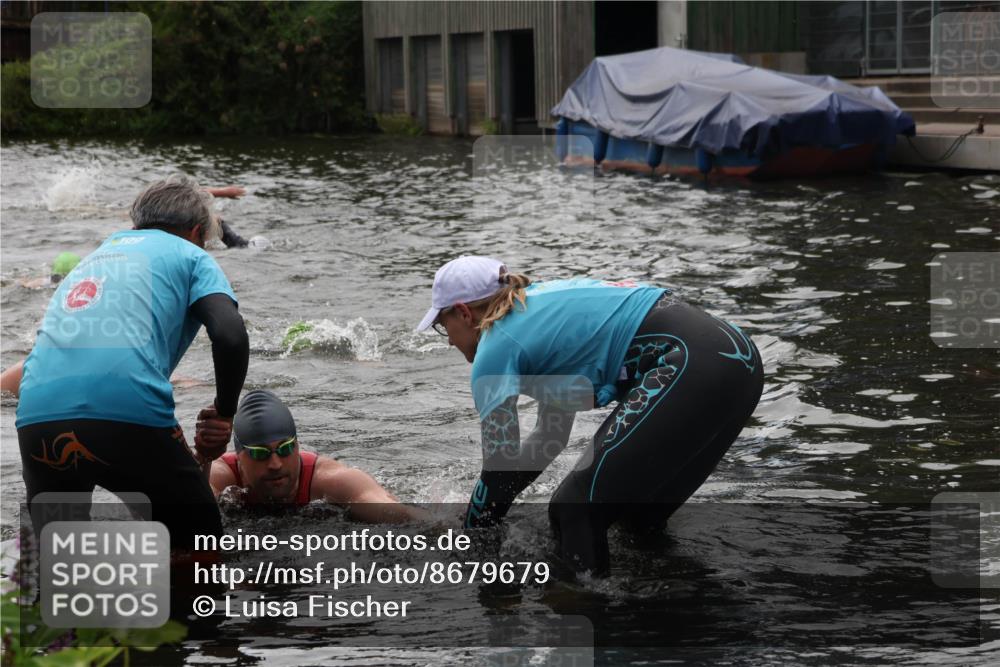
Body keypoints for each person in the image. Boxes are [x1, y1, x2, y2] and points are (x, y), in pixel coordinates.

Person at [417, 256, 764, 575]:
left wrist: (469, 540)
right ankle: (668, 620)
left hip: (691, 363)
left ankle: (592, 624)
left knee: (574, 510)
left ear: (463, 312)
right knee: (637, 521)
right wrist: (484, 516)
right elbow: (548, 441)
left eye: (441, 324)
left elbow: (499, 472)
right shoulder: (542, 311)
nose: (447, 340)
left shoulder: (495, 350)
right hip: (740, 358)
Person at [15, 174, 250, 549]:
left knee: (56, 561)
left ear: (136, 223)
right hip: (124, 412)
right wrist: (224, 411)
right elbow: (230, 333)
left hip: (36, 414)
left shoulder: (95, 257)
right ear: (195, 231)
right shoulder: (191, 255)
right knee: (200, 543)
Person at [200, 390, 427, 523]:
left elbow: (401, 514)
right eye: (260, 454)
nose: (276, 464)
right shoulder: (221, 474)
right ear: (239, 458)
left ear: (298, 445)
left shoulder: (330, 480)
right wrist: (203, 457)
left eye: (286, 448)